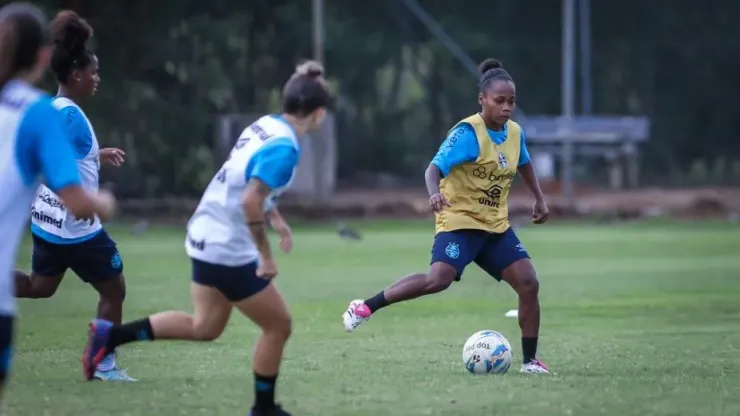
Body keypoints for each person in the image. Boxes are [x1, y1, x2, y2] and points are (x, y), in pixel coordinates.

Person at [82, 60, 332, 416]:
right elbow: (250, 200)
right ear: (318, 115)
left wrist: (276, 219)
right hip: (226, 245)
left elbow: (246, 182)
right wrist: (266, 255)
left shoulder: (265, 126)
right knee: (279, 325)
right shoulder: (286, 148)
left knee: (205, 326)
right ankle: (263, 409)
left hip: (204, 232)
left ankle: (109, 336)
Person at [342, 58, 551, 374]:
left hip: (495, 226)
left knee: (528, 283)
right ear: (482, 100)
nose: (507, 107)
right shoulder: (467, 133)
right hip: (459, 222)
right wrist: (434, 193)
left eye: (511, 101)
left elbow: (523, 162)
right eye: (500, 101)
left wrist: (538, 197)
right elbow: (433, 168)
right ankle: (364, 307)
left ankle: (530, 362)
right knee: (437, 280)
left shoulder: (514, 132)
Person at [0, 2, 116, 399]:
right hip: (76, 229)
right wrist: (104, 202)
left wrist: (96, 157)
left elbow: (49, 162)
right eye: (94, 71)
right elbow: (77, 197)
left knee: (39, 286)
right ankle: (104, 365)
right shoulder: (49, 114)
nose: (98, 78)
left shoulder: (48, 109)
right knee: (114, 289)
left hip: (46, 224)